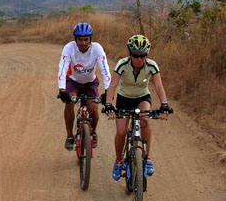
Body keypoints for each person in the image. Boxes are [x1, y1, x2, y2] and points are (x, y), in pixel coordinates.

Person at [103, 34, 171, 180]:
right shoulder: (122, 64)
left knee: (145, 120)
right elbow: (113, 85)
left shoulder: (152, 65)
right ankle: (118, 161)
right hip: (124, 98)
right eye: (135, 55)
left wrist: (164, 104)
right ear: (130, 54)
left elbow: (158, 86)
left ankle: (147, 158)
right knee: (121, 132)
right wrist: (108, 104)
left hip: (142, 97)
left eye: (142, 56)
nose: (139, 59)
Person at [57, 22, 112, 151]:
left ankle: (93, 132)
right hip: (73, 81)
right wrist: (62, 89)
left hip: (90, 82)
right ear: (75, 40)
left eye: (86, 39)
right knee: (69, 103)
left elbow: (105, 69)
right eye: (80, 40)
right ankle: (70, 136)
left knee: (93, 107)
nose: (83, 43)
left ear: (90, 39)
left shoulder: (97, 48)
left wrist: (108, 91)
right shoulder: (69, 48)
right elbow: (62, 68)